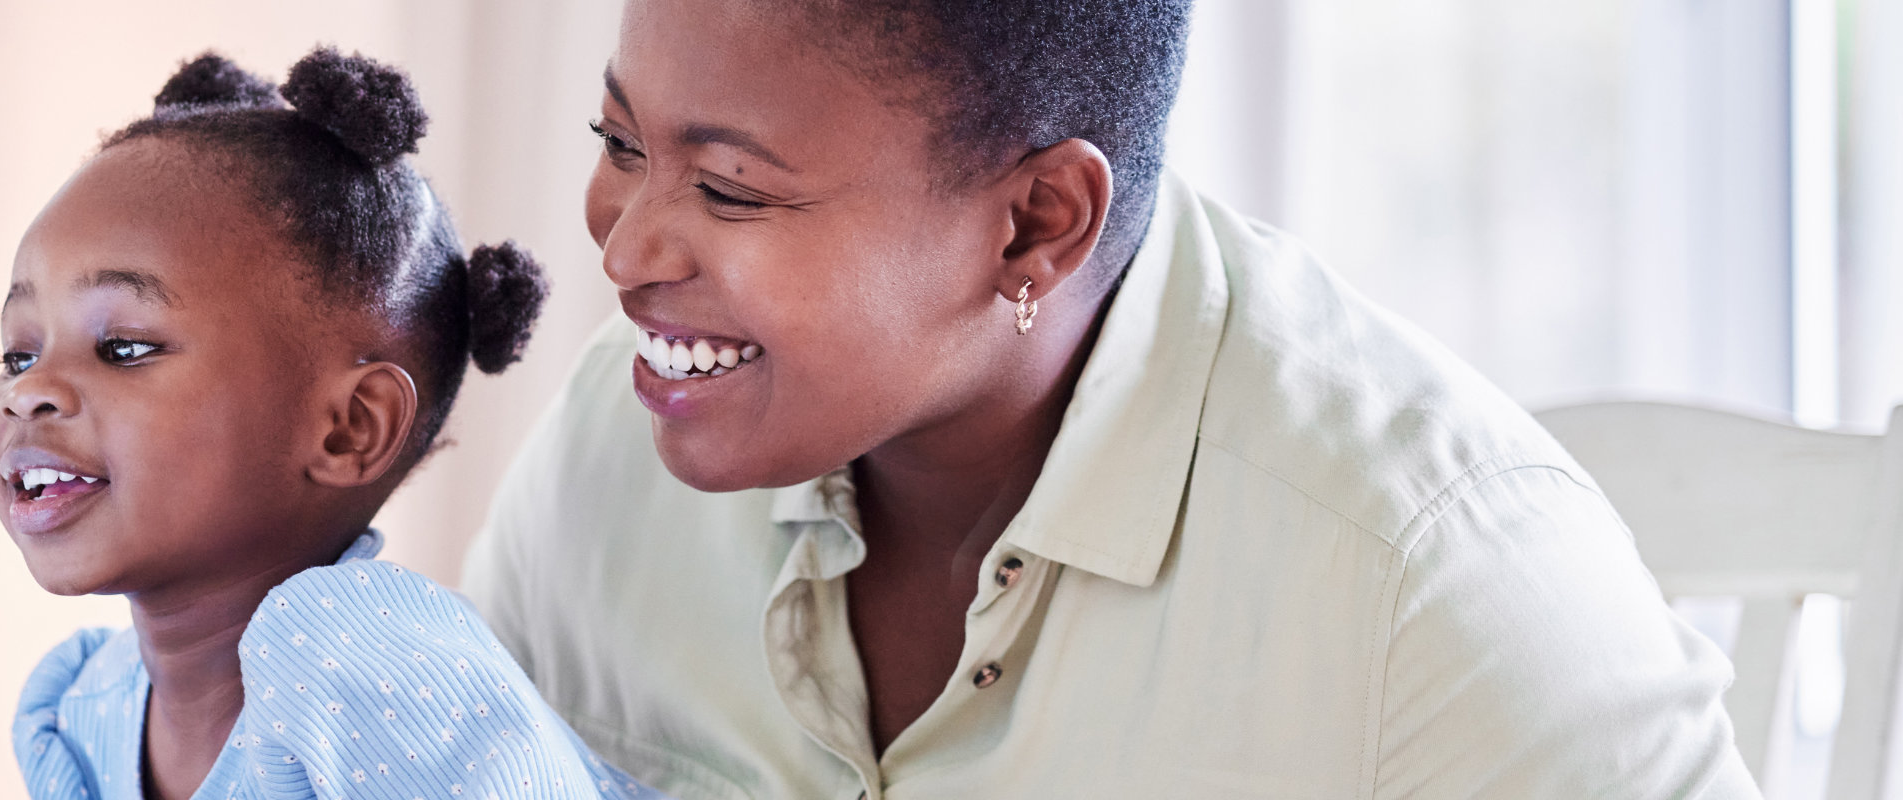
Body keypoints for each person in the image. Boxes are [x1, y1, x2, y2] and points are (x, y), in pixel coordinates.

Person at [461, 0, 1759, 796]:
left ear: (1035, 226)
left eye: (731, 188)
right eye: (622, 144)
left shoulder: (1431, 585)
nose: (626, 250)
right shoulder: (610, 451)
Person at [0, 49, 662, 800]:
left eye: (125, 348)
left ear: (349, 428)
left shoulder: (368, 665)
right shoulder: (84, 707)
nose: (28, 392)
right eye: (17, 355)